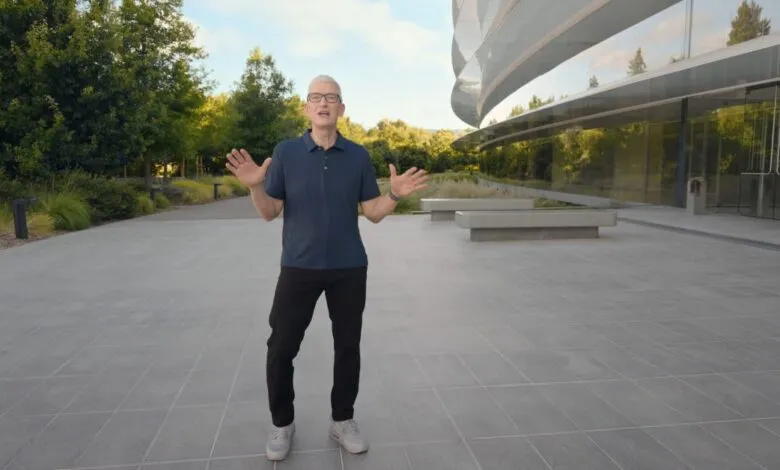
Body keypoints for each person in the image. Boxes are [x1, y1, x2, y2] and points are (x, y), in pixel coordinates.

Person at [225, 74, 429, 461]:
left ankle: (342, 419)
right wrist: (254, 186)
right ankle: (282, 423)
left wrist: (395, 194)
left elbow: (372, 213)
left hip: (349, 268)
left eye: (331, 97)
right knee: (281, 347)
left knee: (347, 347)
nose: (323, 103)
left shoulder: (357, 156)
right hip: (298, 267)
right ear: (306, 107)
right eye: (316, 97)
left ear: (341, 109)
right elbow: (270, 213)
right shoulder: (285, 152)